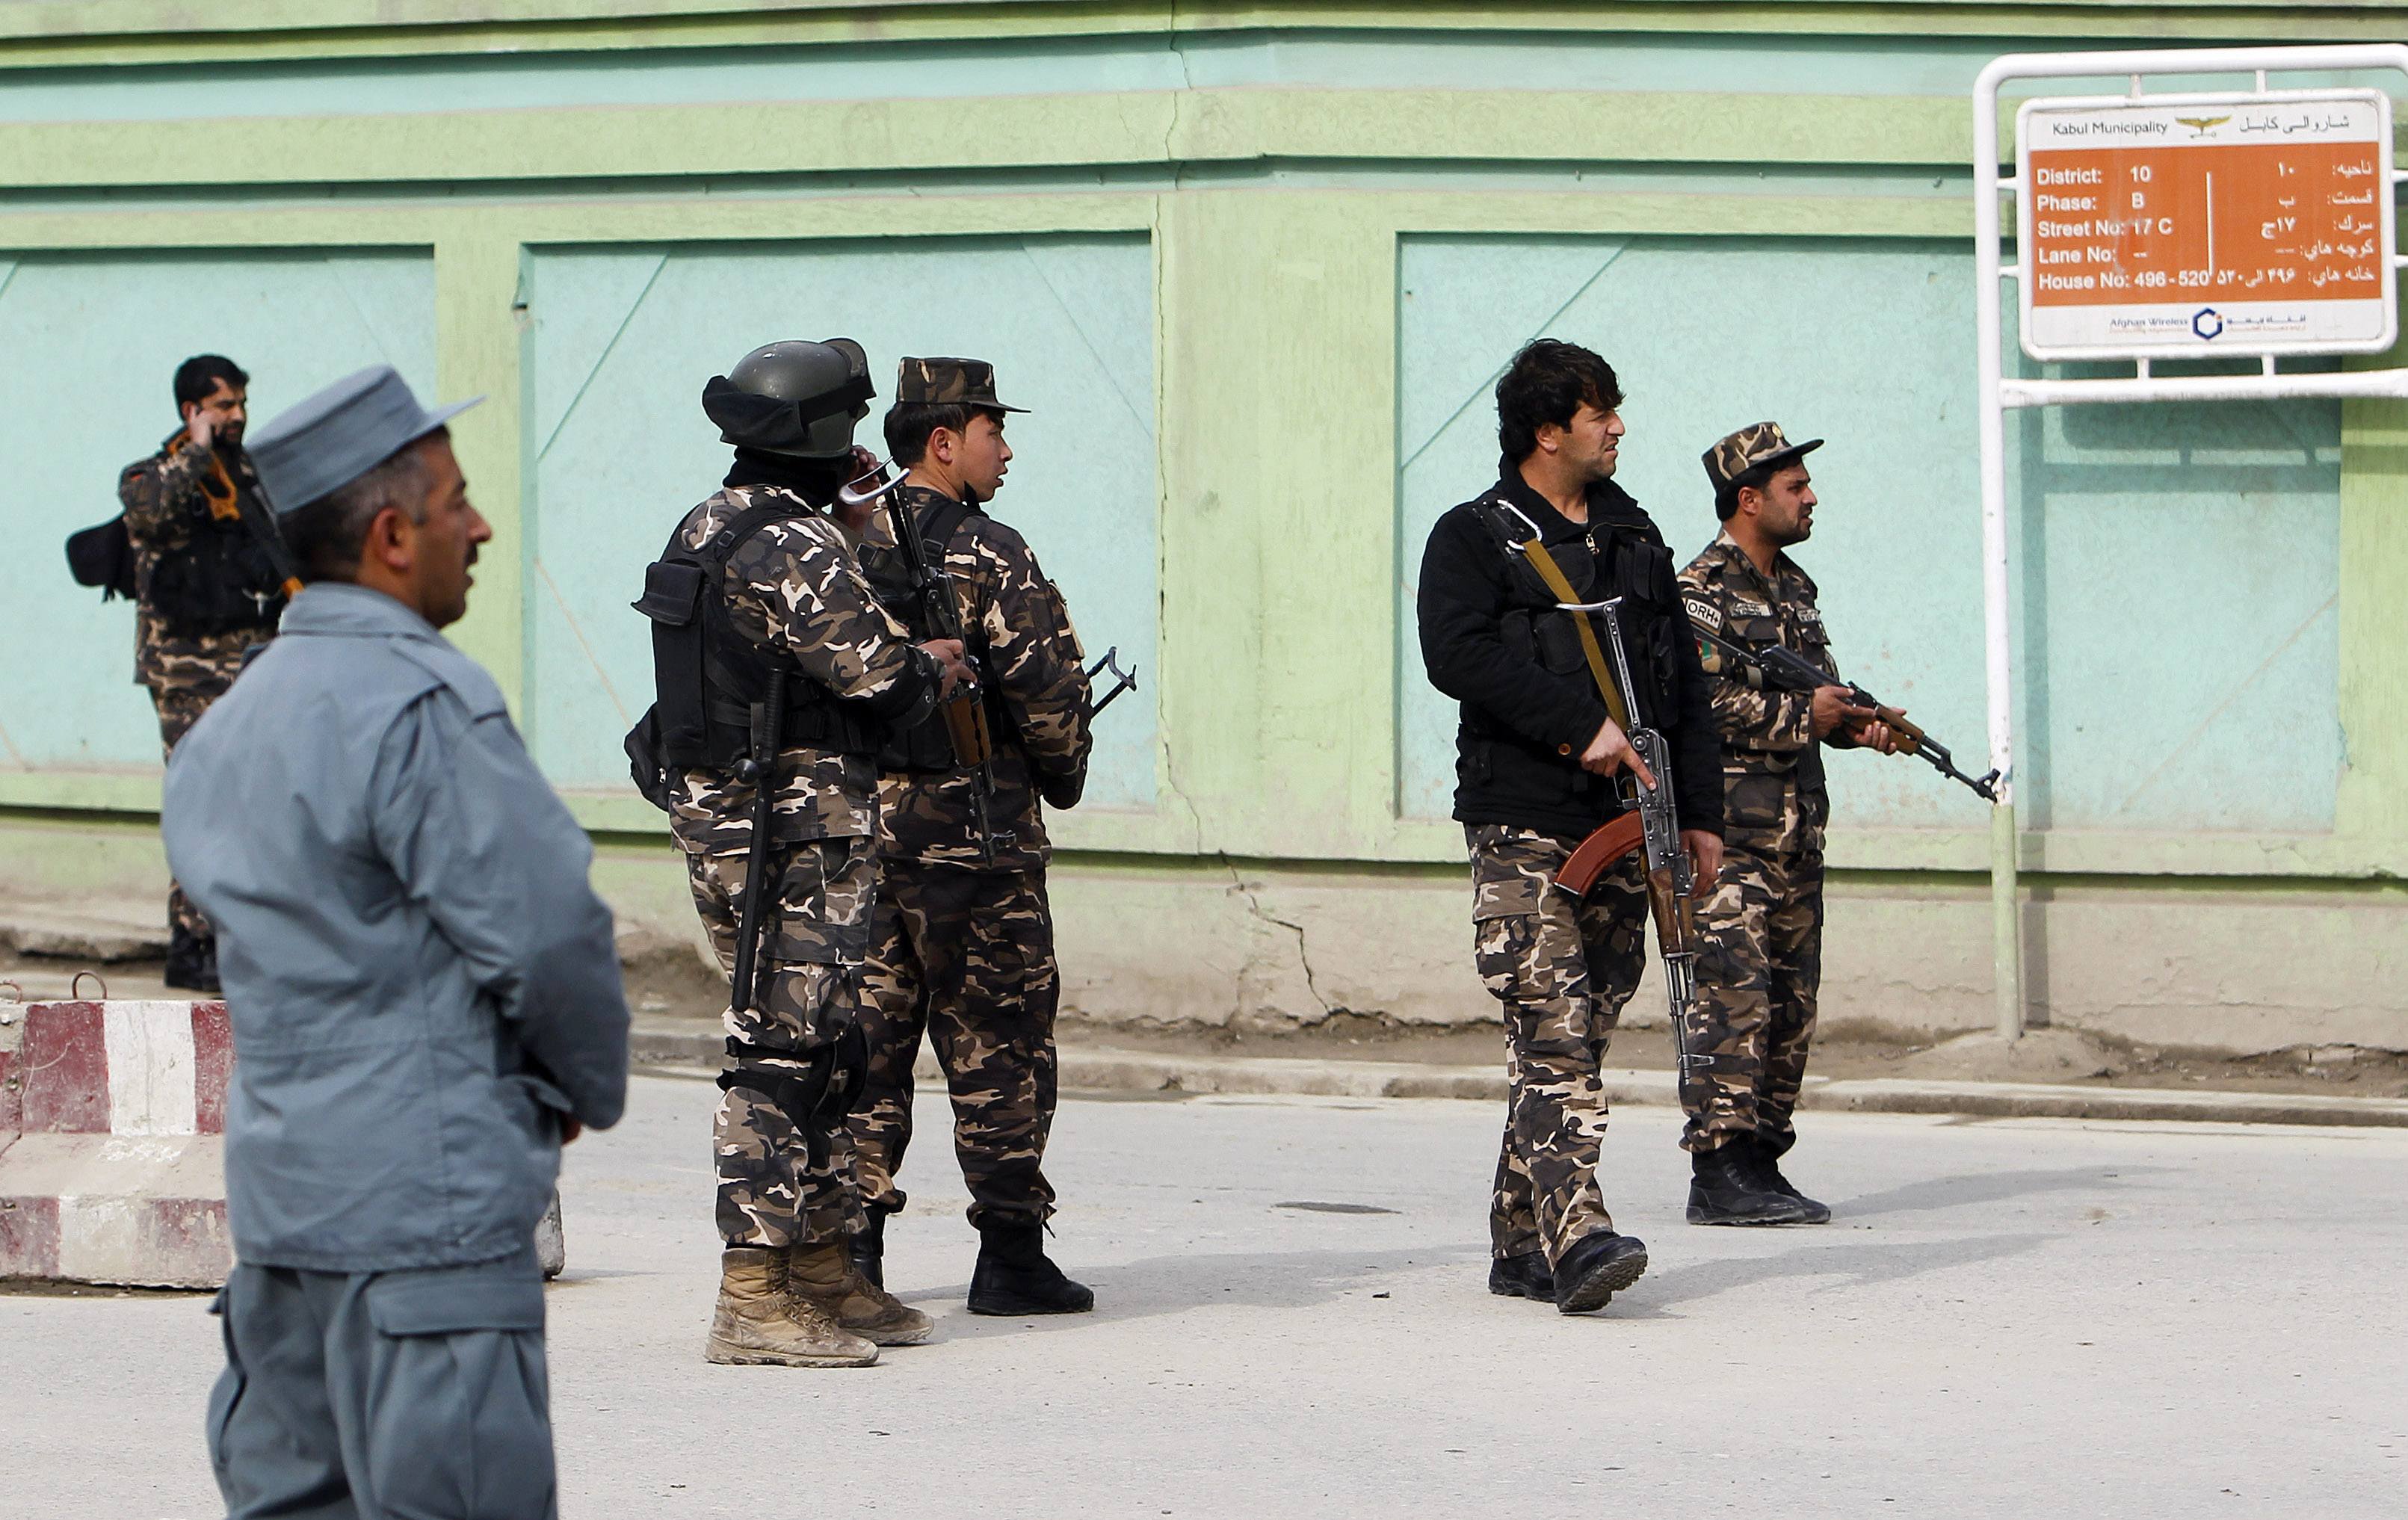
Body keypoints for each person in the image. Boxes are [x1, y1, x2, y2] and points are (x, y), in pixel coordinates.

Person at [160, 365, 630, 1519]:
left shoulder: (228, 726)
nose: (476, 527)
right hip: (425, 1239)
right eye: (455, 502)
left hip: (283, 1235)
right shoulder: (421, 705)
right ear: (389, 535)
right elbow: (550, 936)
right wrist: (577, 1084)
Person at [642, 339, 969, 1369]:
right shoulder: (794, 544)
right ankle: (752, 1290)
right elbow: (881, 680)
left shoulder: (713, 522)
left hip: (739, 820)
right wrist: (936, 664)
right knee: (784, 1053)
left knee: (829, 1043)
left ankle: (822, 1266)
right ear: (826, 436)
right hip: (793, 830)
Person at [1415, 339, 1723, 1314]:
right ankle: (1580, 1232)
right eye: (1599, 414)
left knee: (1584, 1029)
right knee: (1549, 1026)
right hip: (1523, 825)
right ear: (1547, 432)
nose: (1617, 427)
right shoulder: (1473, 537)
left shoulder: (1634, 539)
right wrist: (1572, 724)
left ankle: (1519, 1238)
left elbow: (1681, 686)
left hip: (1629, 826)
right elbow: (1454, 653)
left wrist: (1701, 818)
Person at [848, 357, 1096, 1315]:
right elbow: (1047, 689)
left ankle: (854, 1253)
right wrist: (1063, 778)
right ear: (944, 442)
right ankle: (1010, 1255)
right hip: (975, 842)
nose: (1007, 449)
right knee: (1000, 1043)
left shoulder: (845, 545)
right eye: (995, 431)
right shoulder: (992, 550)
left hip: (864, 844)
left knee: (867, 1045)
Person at [1676, 423, 1899, 1226]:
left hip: (1796, 834)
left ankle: (1762, 1160)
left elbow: (1814, 705)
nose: (1811, 499)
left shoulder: (1796, 589)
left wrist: (1856, 723)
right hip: (1727, 836)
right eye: (1795, 487)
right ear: (1749, 499)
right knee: (1733, 996)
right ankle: (1719, 1167)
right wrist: (1803, 713)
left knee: (1789, 1001)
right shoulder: (1698, 591)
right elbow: (1694, 706)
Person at [120, 353, 290, 991]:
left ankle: (237, 937)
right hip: (184, 673)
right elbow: (151, 513)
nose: (239, 416)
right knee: (203, 803)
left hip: (250, 662)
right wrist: (194, 451)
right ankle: (193, 941)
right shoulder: (151, 475)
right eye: (224, 406)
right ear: (193, 411)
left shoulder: (247, 475)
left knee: (251, 803)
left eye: (242, 403)